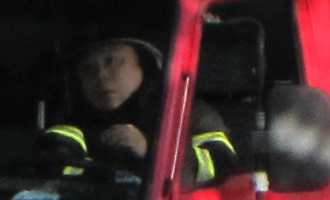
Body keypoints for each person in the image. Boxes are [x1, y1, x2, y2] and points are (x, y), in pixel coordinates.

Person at [46, 34, 236, 184]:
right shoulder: (70, 123)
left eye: (112, 61)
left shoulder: (187, 113)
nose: (100, 75)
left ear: (144, 67)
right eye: (87, 69)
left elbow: (222, 166)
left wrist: (151, 151)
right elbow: (55, 174)